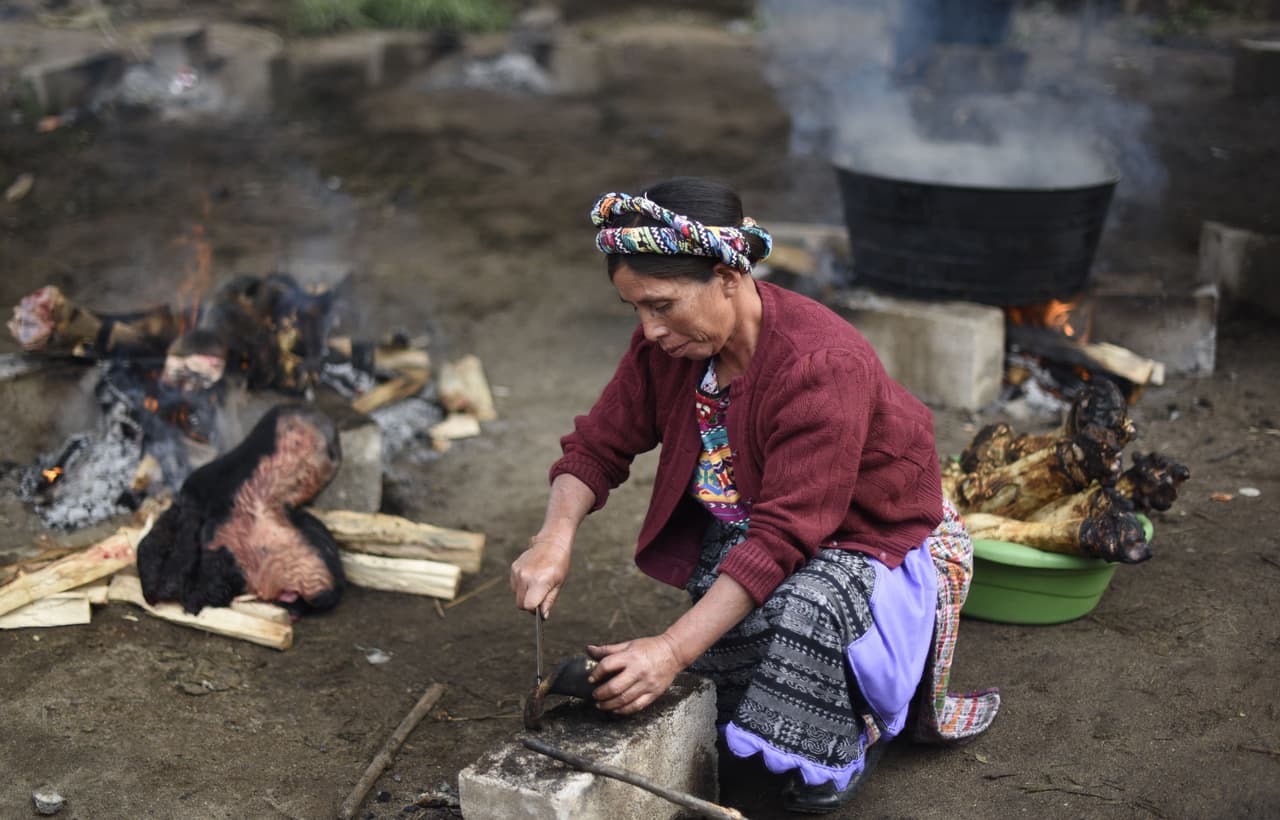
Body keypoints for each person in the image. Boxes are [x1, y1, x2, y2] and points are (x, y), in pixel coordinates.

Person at [510, 176, 999, 814]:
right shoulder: (670, 350)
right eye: (635, 309)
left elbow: (783, 538)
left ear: (728, 276)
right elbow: (597, 447)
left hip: (882, 540)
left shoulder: (820, 365)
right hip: (767, 525)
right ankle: (767, 719)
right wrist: (554, 539)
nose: (649, 329)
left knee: (802, 610)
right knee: (721, 594)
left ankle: (838, 752)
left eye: (661, 305)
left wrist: (668, 649)